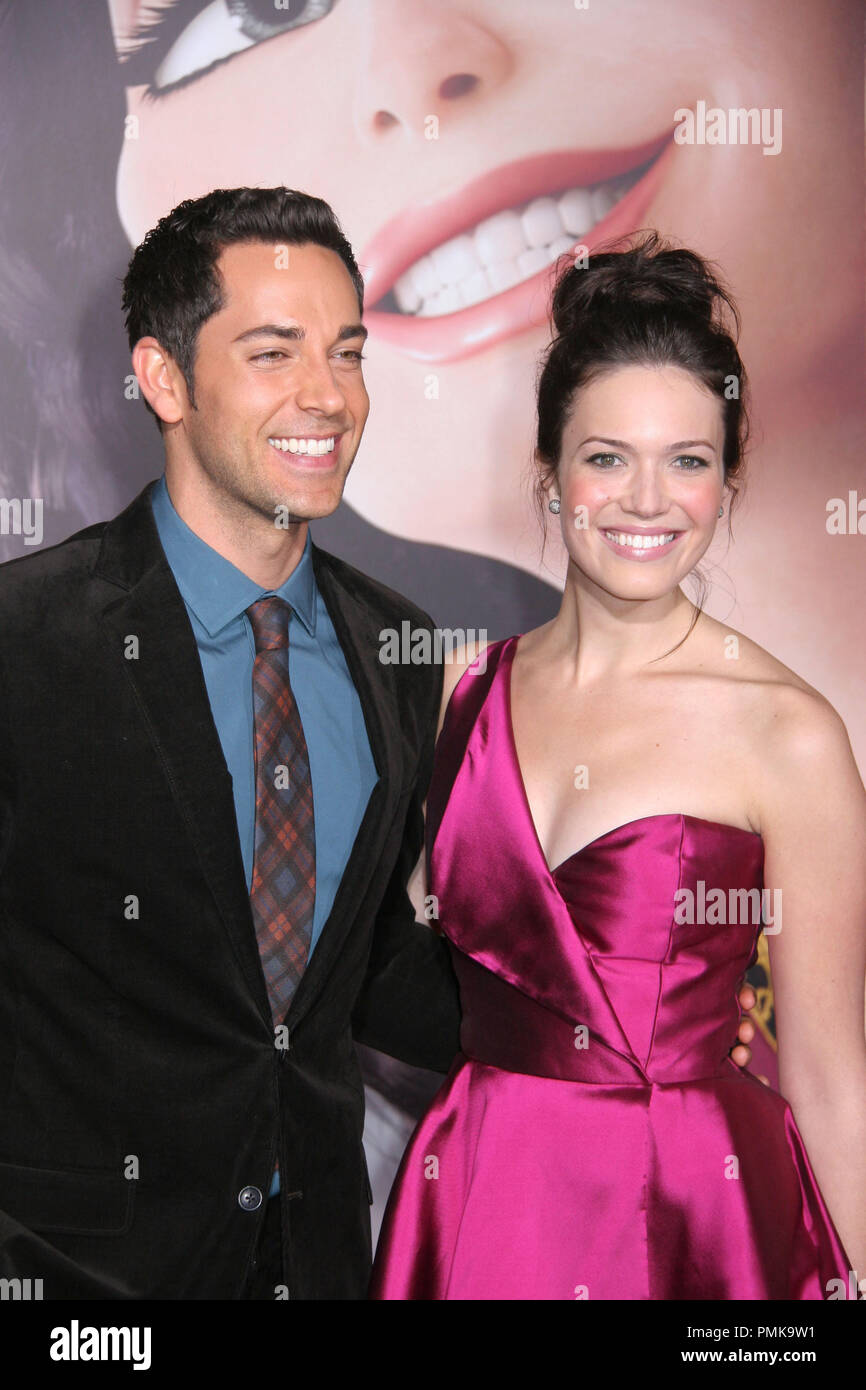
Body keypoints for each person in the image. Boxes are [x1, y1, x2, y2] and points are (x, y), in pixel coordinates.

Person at [0, 188, 756, 1301]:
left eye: (346, 353)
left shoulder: (404, 651)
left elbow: (379, 970)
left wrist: (613, 1027)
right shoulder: (30, 641)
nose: (326, 397)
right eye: (272, 353)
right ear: (162, 378)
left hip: (322, 1266)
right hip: (73, 1285)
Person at [369, 235, 866, 1300]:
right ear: (547, 473)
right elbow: (392, 959)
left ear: (726, 481)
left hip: (693, 1211)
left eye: (686, 459)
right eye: (606, 457)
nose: (646, 499)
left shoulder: (787, 732)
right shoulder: (461, 687)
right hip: (478, 1197)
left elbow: (830, 1077)